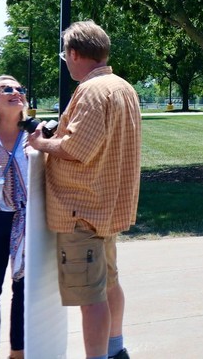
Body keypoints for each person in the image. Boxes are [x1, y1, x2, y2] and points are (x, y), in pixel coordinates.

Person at [28, 21, 141, 359]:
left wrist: (41, 143)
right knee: (108, 284)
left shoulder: (92, 91)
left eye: (65, 56)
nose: (66, 62)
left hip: (82, 211)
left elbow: (77, 147)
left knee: (90, 297)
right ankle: (115, 350)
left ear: (75, 53)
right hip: (106, 208)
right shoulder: (123, 87)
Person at [0, 75, 28, 359]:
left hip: (29, 223)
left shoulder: (38, 135)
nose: (16, 92)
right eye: (6, 88)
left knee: (24, 290)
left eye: (19, 89)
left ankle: (18, 353)